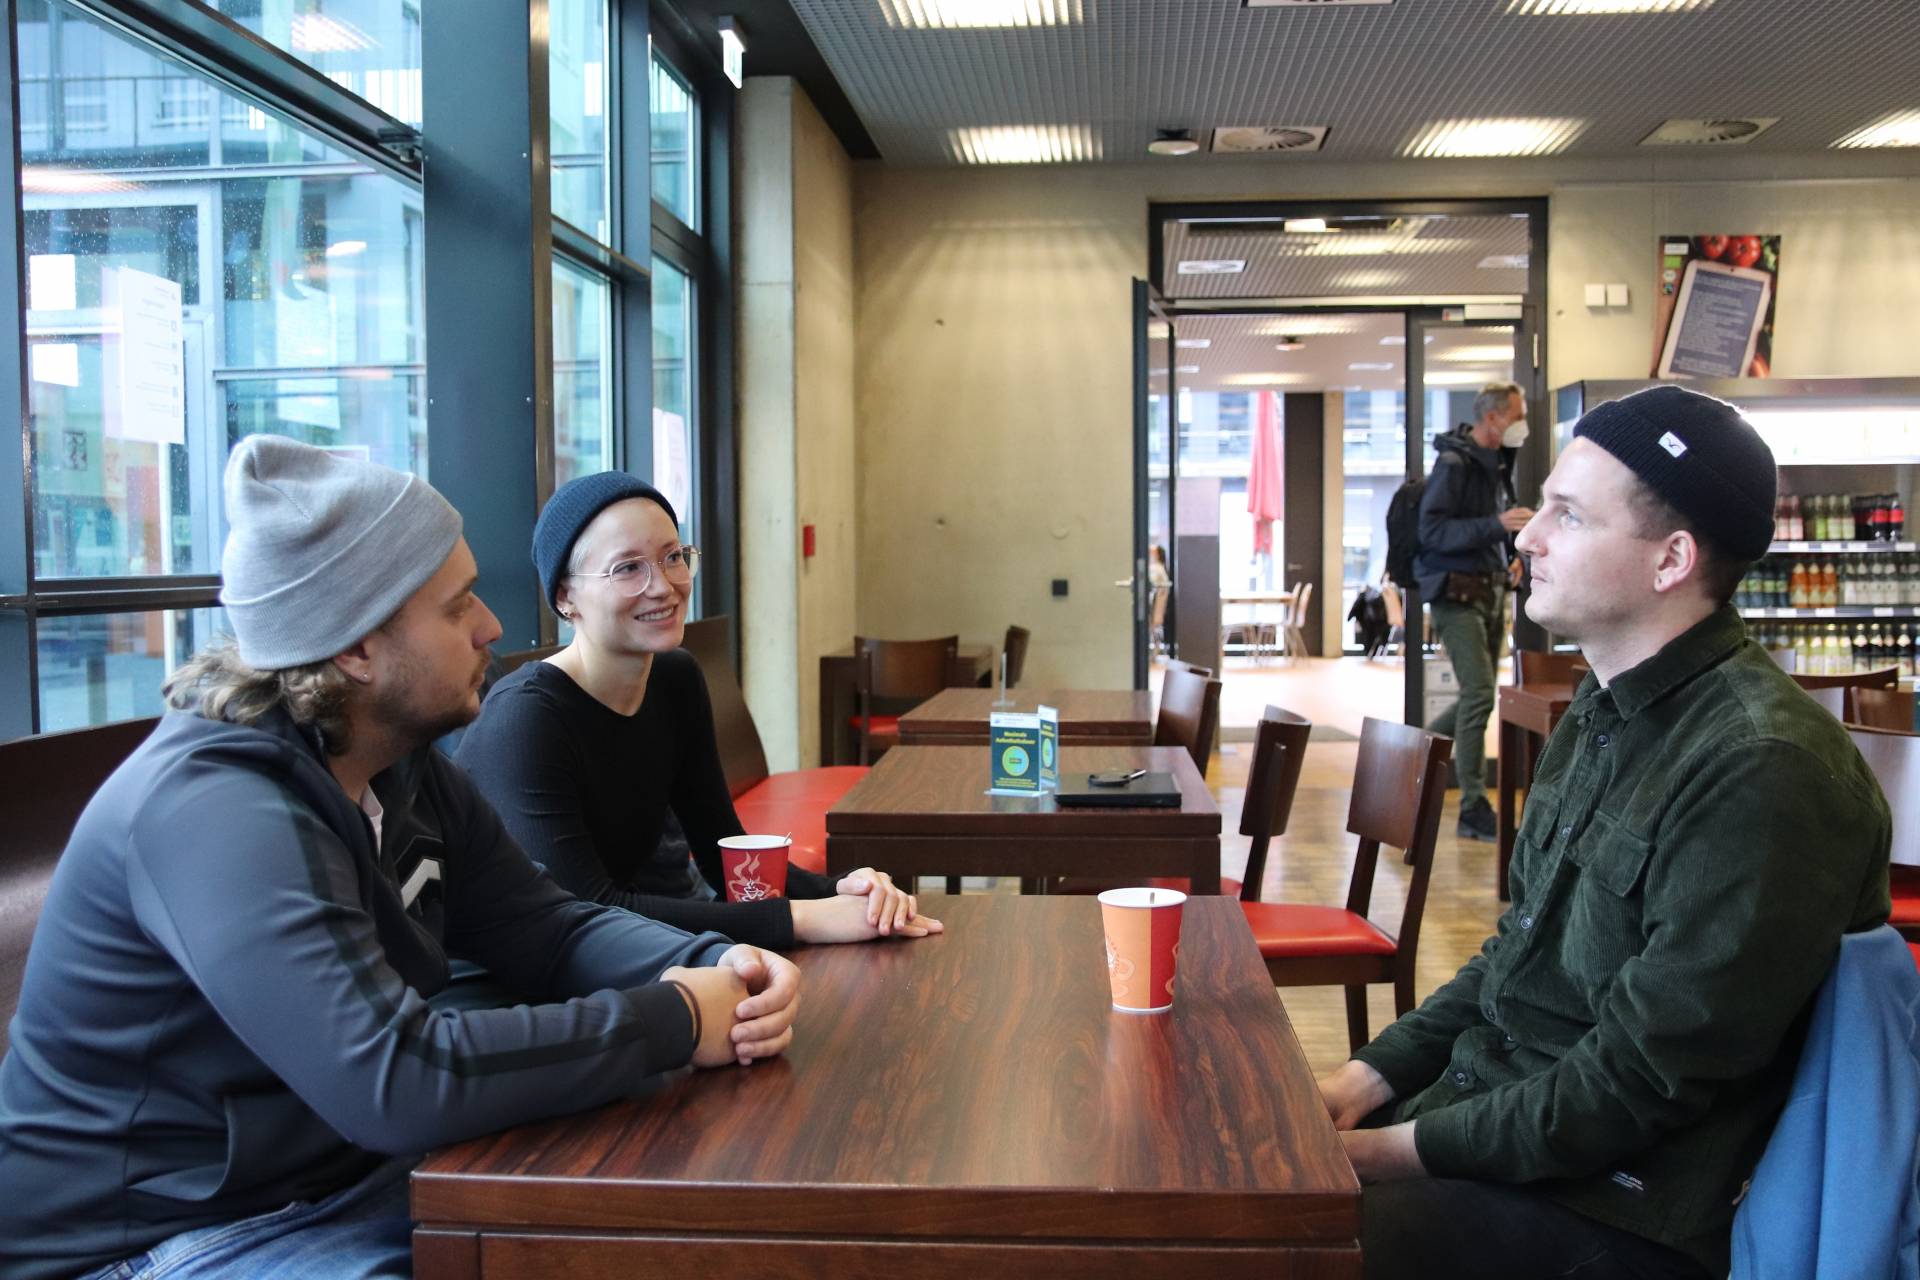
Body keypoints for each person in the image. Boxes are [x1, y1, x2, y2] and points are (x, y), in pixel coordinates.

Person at [0, 438, 801, 1280]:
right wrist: (673, 1016)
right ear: (355, 648)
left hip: (344, 1173)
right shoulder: (215, 808)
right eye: (458, 606)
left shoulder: (397, 762)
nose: (493, 625)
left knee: (672, 1201)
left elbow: (550, 930)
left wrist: (715, 962)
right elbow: (396, 1076)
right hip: (162, 1239)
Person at [1318, 386, 1892, 1280]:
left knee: (1271, 1243)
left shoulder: (1763, 768)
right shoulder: (1601, 708)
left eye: (1569, 515)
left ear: (1671, 561)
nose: (1525, 536)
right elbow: (1515, 955)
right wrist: (1366, 1082)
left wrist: (1381, 1155)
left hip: (1620, 1210)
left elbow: (1635, 1086)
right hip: (1503, 1135)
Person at [456, 471, 941, 954]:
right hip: (514, 979)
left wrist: (846, 891)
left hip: (612, 957)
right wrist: (804, 918)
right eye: (628, 568)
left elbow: (722, 853)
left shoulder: (674, 678)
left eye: (672, 557)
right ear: (565, 596)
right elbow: (584, 908)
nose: (664, 587)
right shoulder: (525, 720)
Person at [1416, 381, 1535, 841]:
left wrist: (1512, 551)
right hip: (1455, 595)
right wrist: (1496, 526)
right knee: (1482, 693)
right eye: (1518, 414)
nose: (1522, 423)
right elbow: (1433, 533)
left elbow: (1493, 527)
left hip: (1489, 590)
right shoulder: (1453, 463)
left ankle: (1411, 757)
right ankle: (1472, 805)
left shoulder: (1498, 462)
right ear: (1493, 418)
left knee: (1475, 696)